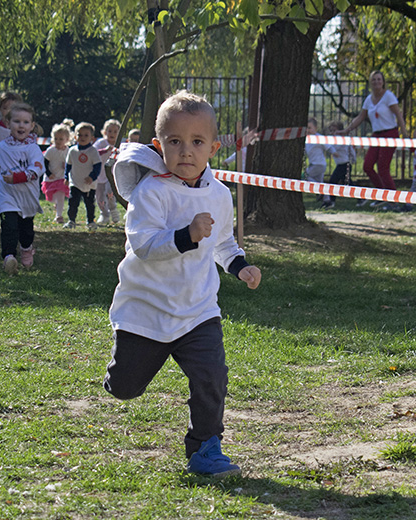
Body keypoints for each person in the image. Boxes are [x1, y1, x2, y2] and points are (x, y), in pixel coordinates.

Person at [103, 90, 262, 478]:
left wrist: (239, 266)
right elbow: (143, 245)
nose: (186, 151)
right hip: (146, 311)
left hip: (198, 310)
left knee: (212, 376)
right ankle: (120, 373)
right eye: (175, 141)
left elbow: (223, 242)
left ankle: (205, 448)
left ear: (213, 148)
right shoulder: (151, 192)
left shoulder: (219, 194)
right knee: (125, 387)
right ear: (159, 146)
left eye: (197, 142)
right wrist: (186, 235)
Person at [0, 102, 44, 275]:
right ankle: (9, 257)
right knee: (9, 225)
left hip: (27, 196)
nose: (21, 126)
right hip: (7, 193)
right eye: (17, 121)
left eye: (26, 122)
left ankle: (26, 248)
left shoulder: (33, 148)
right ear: (8, 123)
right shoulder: (3, 146)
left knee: (26, 230)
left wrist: (17, 177)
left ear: (32, 126)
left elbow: (37, 170)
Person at [341, 70, 407, 202]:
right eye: (374, 80)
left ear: (383, 82)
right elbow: (361, 117)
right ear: (370, 83)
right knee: (367, 166)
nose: (376, 82)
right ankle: (382, 194)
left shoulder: (388, 96)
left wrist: (405, 135)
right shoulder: (368, 99)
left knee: (383, 168)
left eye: (379, 79)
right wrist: (346, 130)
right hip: (376, 135)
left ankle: (393, 200)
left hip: (390, 134)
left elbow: (398, 115)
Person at [63, 122, 101, 230]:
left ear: (92, 138)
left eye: (86, 135)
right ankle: (71, 221)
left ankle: (90, 222)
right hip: (75, 182)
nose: (82, 137)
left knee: (90, 204)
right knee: (72, 203)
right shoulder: (72, 150)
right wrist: (66, 177)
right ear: (75, 137)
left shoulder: (93, 151)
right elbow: (68, 165)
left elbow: (97, 166)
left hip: (89, 185)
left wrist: (92, 177)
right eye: (80, 135)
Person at [42, 119, 73, 223]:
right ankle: (56, 204)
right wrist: (49, 173)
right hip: (50, 178)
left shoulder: (68, 151)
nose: (58, 141)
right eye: (56, 138)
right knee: (51, 198)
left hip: (62, 178)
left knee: (61, 195)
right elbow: (44, 163)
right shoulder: (51, 150)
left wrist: (67, 167)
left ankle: (59, 216)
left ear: (67, 139)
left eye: (61, 139)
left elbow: (71, 163)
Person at [0, 91, 23, 176]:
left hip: (20, 168)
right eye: (5, 108)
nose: (8, 111)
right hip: (2, 168)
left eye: (12, 108)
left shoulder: (22, 127)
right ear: (0, 109)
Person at [322, 121, 357, 209]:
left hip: (344, 165)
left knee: (333, 181)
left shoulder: (340, 140)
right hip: (342, 164)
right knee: (346, 183)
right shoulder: (341, 139)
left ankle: (331, 201)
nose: (332, 133)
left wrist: (326, 145)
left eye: (334, 130)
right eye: (331, 131)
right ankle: (361, 198)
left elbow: (335, 148)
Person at [93, 119, 121, 225]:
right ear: (105, 132)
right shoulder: (101, 143)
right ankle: (104, 214)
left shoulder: (120, 145)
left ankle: (113, 210)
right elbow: (93, 152)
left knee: (110, 193)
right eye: (109, 131)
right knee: (99, 196)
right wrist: (105, 150)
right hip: (100, 174)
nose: (112, 134)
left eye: (115, 131)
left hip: (112, 175)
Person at [305, 118, 331, 207]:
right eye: (306, 128)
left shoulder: (319, 137)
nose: (308, 130)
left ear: (316, 128)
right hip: (314, 163)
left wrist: (334, 152)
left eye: (310, 128)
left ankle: (320, 192)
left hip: (319, 164)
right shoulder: (307, 139)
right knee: (320, 182)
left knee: (306, 176)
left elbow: (328, 146)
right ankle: (327, 201)